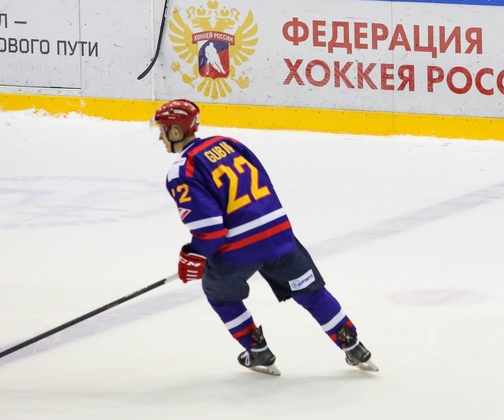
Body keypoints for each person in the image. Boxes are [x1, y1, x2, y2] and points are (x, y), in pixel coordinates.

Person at [153, 99, 376, 377]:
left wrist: (194, 255)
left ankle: (256, 350)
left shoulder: (182, 170)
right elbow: (265, 182)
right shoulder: (228, 143)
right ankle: (353, 345)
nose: (160, 136)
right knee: (310, 291)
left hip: (239, 250)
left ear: (176, 132)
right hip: (279, 235)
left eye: (163, 130)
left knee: (219, 293)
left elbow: (210, 229)